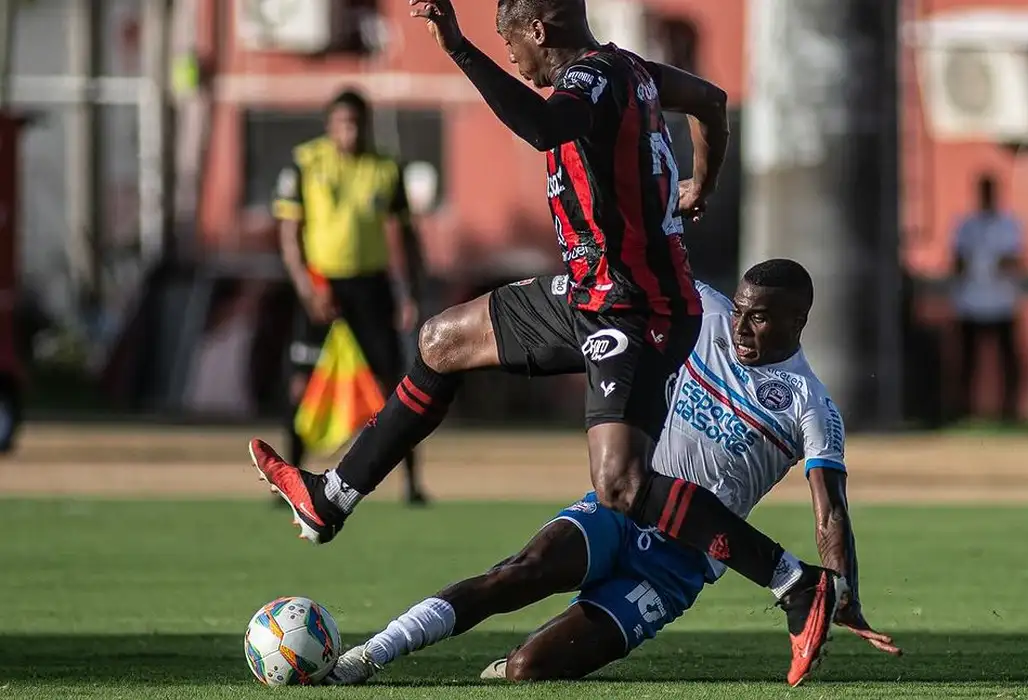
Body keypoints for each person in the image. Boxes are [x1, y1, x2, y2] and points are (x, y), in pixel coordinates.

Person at [251, 0, 842, 682]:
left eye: (511, 44)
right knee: (441, 341)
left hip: (636, 308)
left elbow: (542, 127)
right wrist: (699, 184)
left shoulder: (590, 81)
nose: (512, 59)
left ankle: (794, 582)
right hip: (588, 292)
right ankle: (332, 496)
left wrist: (459, 48)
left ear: (538, 30)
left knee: (619, 482)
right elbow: (710, 100)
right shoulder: (634, 73)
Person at [323, 260, 901, 688]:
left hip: (677, 566)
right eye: (741, 310)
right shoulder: (703, 314)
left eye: (761, 318)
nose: (742, 327)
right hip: (621, 508)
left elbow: (831, 511)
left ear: (798, 320)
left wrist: (842, 590)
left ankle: (524, 659)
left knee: (528, 670)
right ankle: (369, 656)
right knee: (518, 574)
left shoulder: (810, 406)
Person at [273, 88, 428, 505]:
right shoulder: (306, 162)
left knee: (396, 386)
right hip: (321, 285)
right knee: (300, 384)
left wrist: (410, 293)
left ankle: (411, 482)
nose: (351, 132)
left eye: (357, 123)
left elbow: (406, 236)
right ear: (329, 125)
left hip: (371, 287)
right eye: (343, 123)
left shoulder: (385, 168)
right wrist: (306, 289)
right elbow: (289, 234)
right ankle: (290, 479)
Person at [950, 172, 1024, 423]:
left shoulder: (1008, 224)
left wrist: (986, 262)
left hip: (1002, 302)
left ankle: (1009, 411)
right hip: (971, 302)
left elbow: (1013, 259)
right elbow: (956, 261)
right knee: (968, 362)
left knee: (1007, 361)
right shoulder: (966, 226)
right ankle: (964, 410)